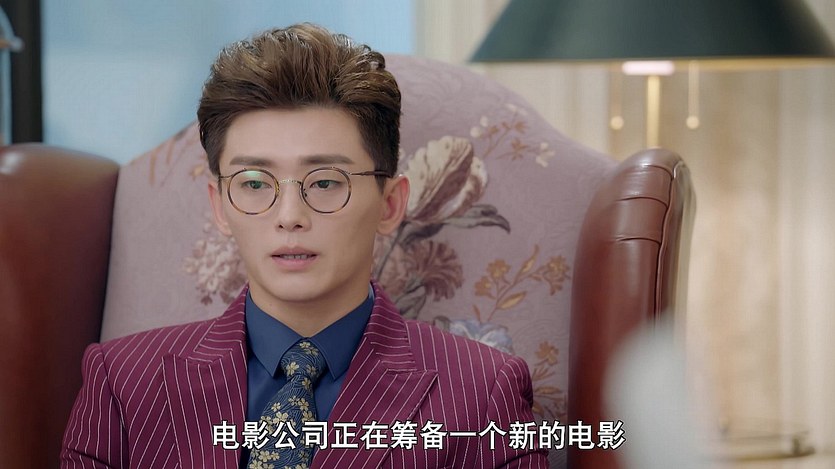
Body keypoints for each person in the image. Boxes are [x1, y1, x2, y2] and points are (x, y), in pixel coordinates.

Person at [60, 23, 547, 469]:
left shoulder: (482, 393)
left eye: (326, 182)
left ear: (390, 204)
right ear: (220, 206)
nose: (289, 215)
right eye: (254, 183)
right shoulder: (124, 383)